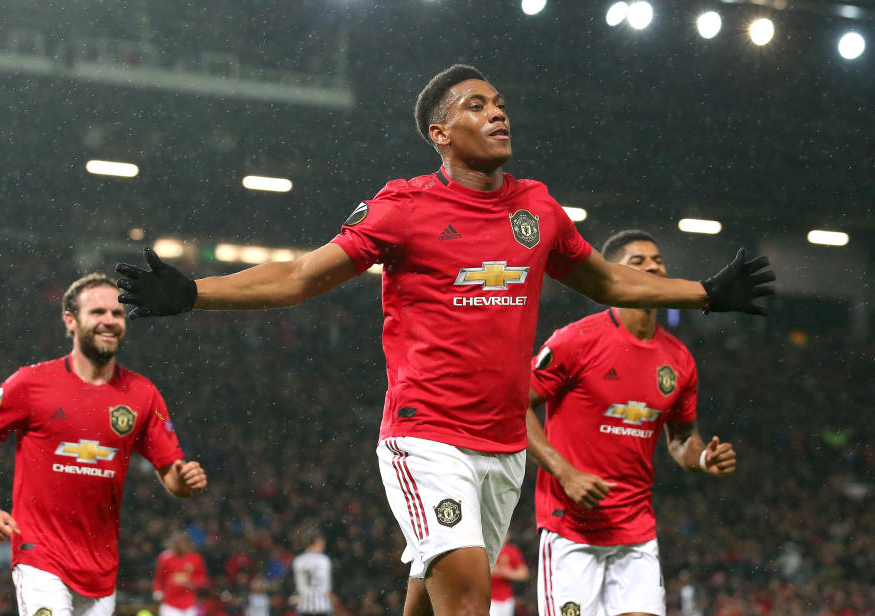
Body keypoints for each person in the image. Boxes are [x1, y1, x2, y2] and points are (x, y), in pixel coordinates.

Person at [113, 65, 773, 616]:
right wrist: (195, 292)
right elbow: (300, 276)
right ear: (441, 134)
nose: (497, 114)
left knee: (434, 593)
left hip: (506, 447)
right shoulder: (403, 207)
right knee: (469, 599)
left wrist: (709, 293)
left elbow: (609, 283)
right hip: (426, 434)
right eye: (476, 106)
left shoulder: (536, 210)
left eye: (500, 104)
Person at [0, 273, 208, 616]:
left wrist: (184, 480)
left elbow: (172, 475)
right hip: (39, 553)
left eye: (117, 314)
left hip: (100, 565)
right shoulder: (30, 383)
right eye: (98, 312)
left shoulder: (145, 395)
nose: (109, 321)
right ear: (70, 321)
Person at [526, 230, 737, 616]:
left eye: (657, 260)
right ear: (612, 275)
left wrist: (703, 458)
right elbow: (514, 408)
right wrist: (566, 473)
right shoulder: (576, 341)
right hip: (570, 529)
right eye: (637, 262)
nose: (653, 266)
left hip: (635, 531)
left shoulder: (679, 359)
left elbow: (681, 439)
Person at [153, 532, 208, 616]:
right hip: (170, 602)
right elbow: (159, 578)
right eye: (179, 543)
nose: (182, 545)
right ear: (174, 544)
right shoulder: (166, 558)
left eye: (184, 542)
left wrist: (194, 584)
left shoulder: (195, 558)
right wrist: (158, 591)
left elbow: (202, 577)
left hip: (189, 602)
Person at [291, 533, 333, 616]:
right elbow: (327, 585)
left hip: (304, 606)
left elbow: (295, 582)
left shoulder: (298, 560)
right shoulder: (324, 560)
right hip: (322, 606)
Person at [489, 531, 529, 616]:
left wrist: (509, 573)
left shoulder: (512, 551)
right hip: (490, 598)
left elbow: (524, 574)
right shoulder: (488, 550)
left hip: (507, 599)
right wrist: (498, 571)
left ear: (509, 535)